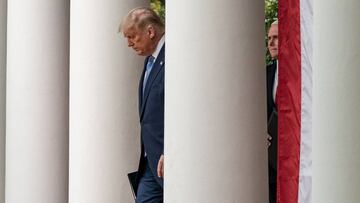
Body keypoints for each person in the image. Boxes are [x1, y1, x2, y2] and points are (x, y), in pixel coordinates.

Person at [119, 7, 165, 203]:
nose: (129, 43)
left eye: (132, 37)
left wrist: (171, 148)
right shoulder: (150, 61)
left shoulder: (176, 56)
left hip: (167, 159)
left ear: (150, 31)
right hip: (149, 161)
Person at [266, 20, 278, 203]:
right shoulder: (264, 73)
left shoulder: (302, 73)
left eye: (276, 38)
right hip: (268, 159)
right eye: (269, 38)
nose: (271, 43)